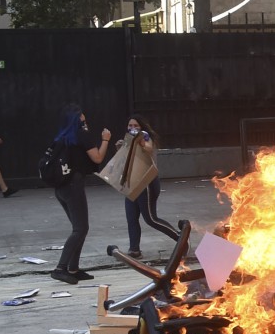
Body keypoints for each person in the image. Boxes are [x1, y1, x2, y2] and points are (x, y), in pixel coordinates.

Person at [49, 104, 111, 285]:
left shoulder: (62, 137)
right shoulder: (81, 135)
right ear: (79, 118)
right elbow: (98, 158)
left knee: (79, 228)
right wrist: (105, 140)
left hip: (60, 187)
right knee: (80, 229)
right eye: (83, 115)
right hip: (73, 186)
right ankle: (60, 268)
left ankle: (73, 268)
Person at [117, 114, 180, 258]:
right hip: (132, 182)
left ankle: (179, 237)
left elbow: (149, 149)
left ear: (141, 127)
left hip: (146, 182)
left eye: (135, 126)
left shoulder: (145, 137)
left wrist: (140, 141)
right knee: (131, 217)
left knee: (150, 218)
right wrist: (120, 148)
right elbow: (124, 162)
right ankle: (134, 249)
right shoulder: (129, 140)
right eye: (130, 126)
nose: (132, 128)